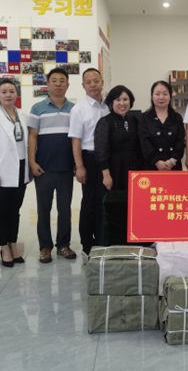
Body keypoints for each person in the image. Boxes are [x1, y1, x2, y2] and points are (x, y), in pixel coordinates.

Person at [28, 68, 77, 264]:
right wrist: (32, 162)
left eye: (62, 80)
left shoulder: (74, 109)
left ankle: (63, 244)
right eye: (54, 80)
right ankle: (45, 247)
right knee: (43, 209)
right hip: (44, 168)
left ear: (67, 85)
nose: (58, 84)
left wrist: (78, 164)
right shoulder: (37, 108)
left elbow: (77, 139)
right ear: (47, 84)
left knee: (65, 208)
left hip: (66, 168)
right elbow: (32, 137)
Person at [0, 79, 31, 268]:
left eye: (12, 91)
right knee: (1, 211)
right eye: (4, 91)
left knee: (15, 211)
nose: (8, 95)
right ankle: (3, 247)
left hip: (21, 169)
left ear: (16, 94)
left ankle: (13, 243)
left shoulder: (23, 116)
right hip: (1, 170)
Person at [69, 68, 109, 256]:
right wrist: (79, 166)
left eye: (96, 81)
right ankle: (87, 243)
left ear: (102, 83)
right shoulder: (79, 109)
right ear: (83, 86)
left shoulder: (109, 106)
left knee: (104, 201)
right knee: (89, 202)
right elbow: (75, 140)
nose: (93, 85)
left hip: (107, 159)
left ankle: (102, 238)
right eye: (88, 82)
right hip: (89, 158)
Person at [95, 85, 142, 191]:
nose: (122, 103)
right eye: (118, 100)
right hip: (113, 170)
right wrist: (106, 175)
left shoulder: (134, 120)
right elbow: (101, 151)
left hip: (133, 169)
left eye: (125, 99)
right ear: (111, 102)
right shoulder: (105, 122)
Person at [138, 81, 185, 171]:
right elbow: (144, 142)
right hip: (152, 164)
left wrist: (172, 161)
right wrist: (156, 161)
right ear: (152, 97)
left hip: (173, 165)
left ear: (170, 97)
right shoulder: (145, 117)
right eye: (157, 94)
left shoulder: (177, 117)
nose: (161, 97)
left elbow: (180, 141)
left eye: (165, 94)